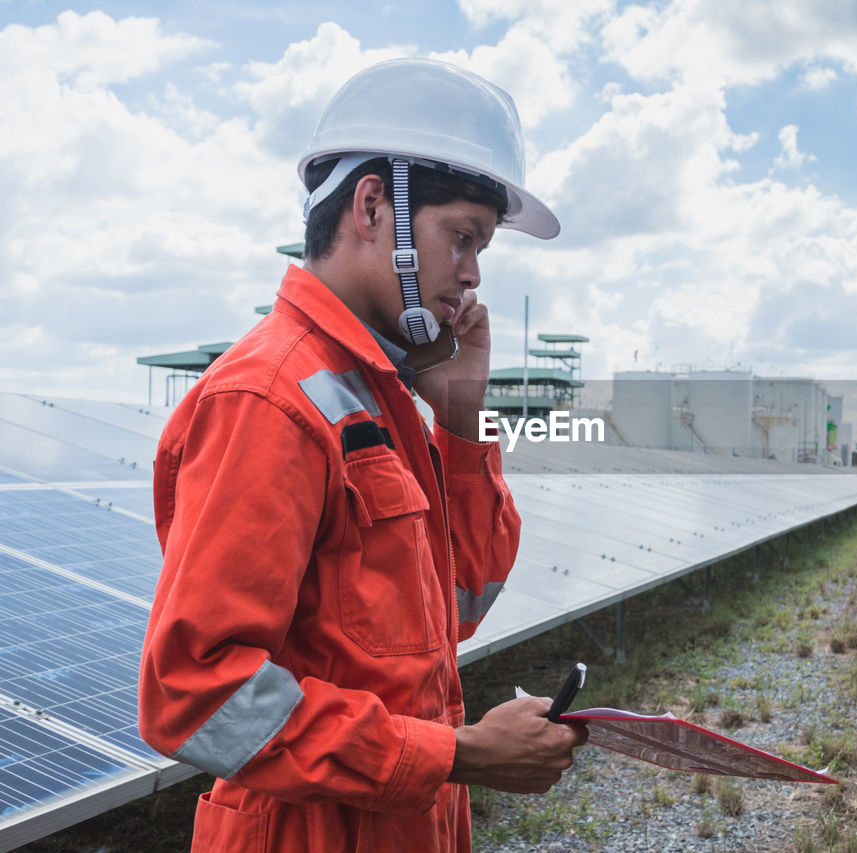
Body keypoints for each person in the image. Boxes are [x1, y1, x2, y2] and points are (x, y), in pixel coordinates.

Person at [138, 58, 586, 852]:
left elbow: (458, 606)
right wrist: (459, 752)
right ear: (373, 206)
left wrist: (459, 421)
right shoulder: (271, 396)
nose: (475, 272)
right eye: (463, 237)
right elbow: (195, 691)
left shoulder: (377, 399)